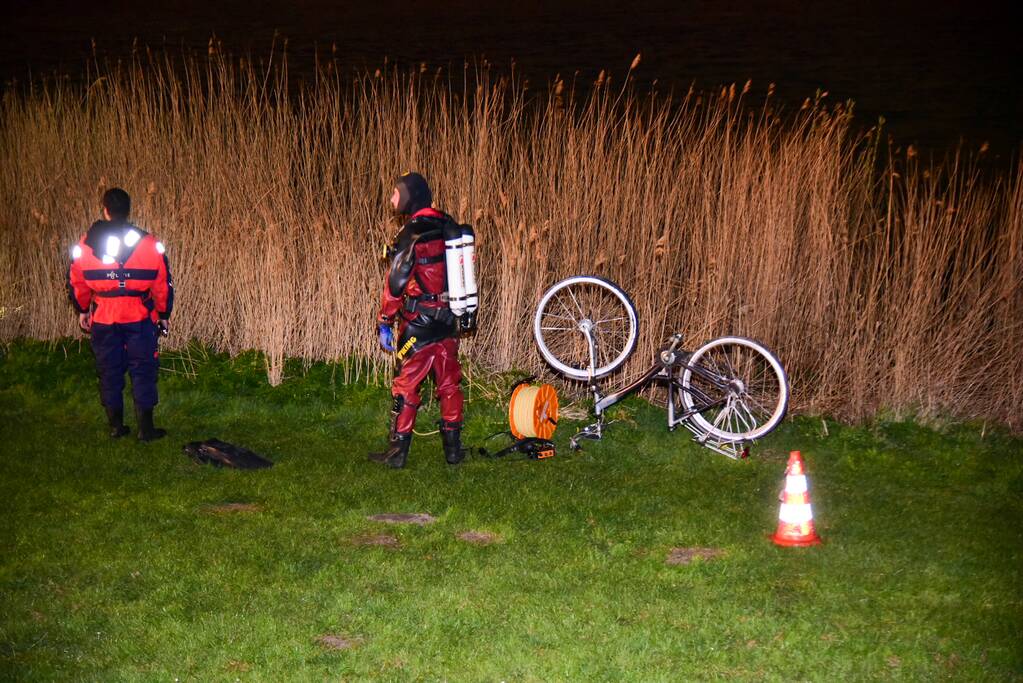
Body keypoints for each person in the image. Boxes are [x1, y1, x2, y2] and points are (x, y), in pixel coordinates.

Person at [369, 172, 477, 468]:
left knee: (405, 385)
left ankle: (396, 454)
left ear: (410, 196)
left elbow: (395, 284)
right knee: (449, 385)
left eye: (395, 193)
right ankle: (454, 452)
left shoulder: (410, 233)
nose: (392, 199)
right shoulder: (449, 225)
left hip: (417, 326)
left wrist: (384, 321)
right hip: (447, 322)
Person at [67, 188, 174, 441]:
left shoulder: (86, 243)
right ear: (129, 210)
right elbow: (162, 283)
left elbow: (77, 281)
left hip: (104, 317)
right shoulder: (149, 243)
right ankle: (146, 430)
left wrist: (83, 310)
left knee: (109, 370)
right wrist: (163, 313)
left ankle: (116, 427)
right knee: (143, 369)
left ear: (105, 209)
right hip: (139, 316)